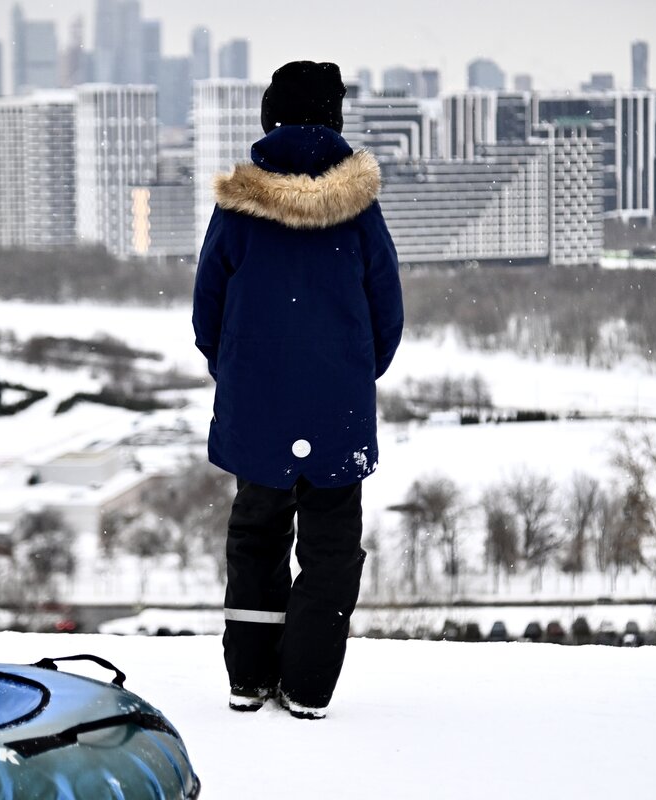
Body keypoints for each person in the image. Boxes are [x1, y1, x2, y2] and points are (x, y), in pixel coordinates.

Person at [192, 61, 403, 720]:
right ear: (335, 120)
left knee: (257, 537)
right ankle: (308, 686)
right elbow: (387, 314)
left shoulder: (238, 208)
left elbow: (207, 312)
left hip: (256, 409)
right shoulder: (360, 211)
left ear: (270, 119)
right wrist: (346, 375)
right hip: (337, 411)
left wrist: (242, 375)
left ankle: (249, 679)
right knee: (331, 548)